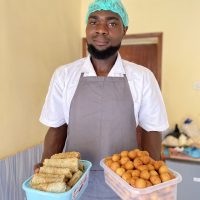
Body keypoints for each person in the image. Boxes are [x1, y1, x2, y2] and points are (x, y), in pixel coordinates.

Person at [34, 0, 169, 199]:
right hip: (74, 186)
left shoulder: (142, 77)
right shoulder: (64, 75)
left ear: (124, 30)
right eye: (94, 21)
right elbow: (57, 128)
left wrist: (150, 185)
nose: (101, 30)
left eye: (112, 23)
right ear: (87, 28)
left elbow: (152, 130)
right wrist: (46, 172)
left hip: (126, 185)